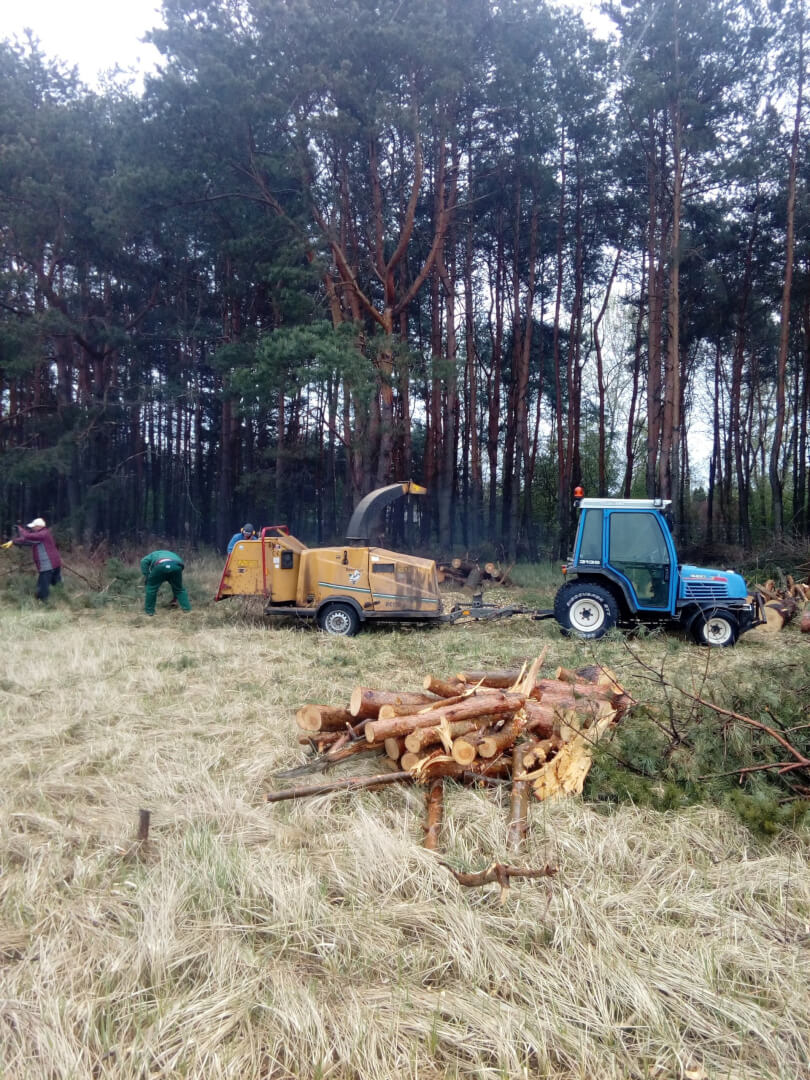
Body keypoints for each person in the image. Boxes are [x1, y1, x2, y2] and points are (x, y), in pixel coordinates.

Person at [2, 517, 63, 601]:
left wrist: (21, 529)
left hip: (47, 564)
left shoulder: (43, 534)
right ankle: (61, 597)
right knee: (56, 582)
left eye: (33, 527)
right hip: (55, 563)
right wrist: (13, 542)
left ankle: (43, 602)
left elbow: (27, 536)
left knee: (43, 585)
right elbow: (27, 540)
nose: (32, 528)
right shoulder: (41, 534)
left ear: (38, 526)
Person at [140, 550, 191, 616]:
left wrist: (147, 576)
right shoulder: (173, 554)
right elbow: (181, 566)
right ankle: (187, 610)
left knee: (151, 588)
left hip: (160, 566)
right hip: (176, 567)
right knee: (179, 589)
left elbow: (143, 561)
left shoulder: (153, 554)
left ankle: (150, 612)